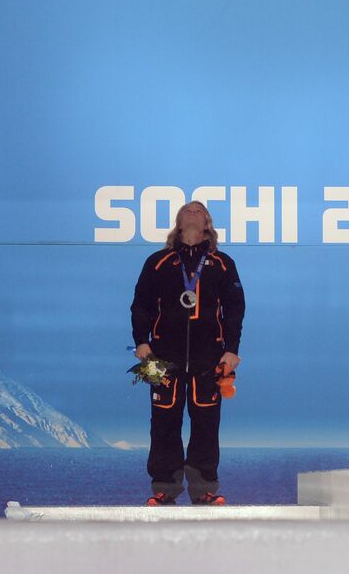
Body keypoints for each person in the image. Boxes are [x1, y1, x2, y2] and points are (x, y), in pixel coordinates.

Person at [130, 200, 245, 505]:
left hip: (210, 357)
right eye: (187, 211)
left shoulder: (223, 263)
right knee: (163, 422)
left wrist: (231, 349)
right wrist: (141, 341)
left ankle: (203, 488)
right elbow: (141, 303)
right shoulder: (158, 261)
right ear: (179, 223)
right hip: (160, 357)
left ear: (208, 224)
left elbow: (235, 309)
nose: (193, 213)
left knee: (206, 423)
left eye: (200, 211)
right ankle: (164, 489)